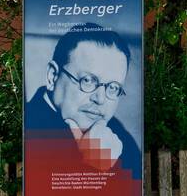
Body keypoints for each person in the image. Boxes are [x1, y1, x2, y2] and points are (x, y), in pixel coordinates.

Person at [25, 22, 142, 178]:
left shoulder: (117, 132)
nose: (100, 99)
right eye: (88, 80)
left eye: (113, 87)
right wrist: (96, 168)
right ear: (52, 76)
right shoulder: (26, 128)